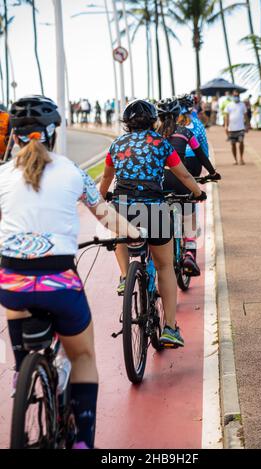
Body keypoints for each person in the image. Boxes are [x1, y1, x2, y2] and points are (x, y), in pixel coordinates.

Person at [0, 95, 139, 449]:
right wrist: (134, 234)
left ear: (14, 136)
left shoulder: (2, 176)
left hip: (12, 283)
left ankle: (22, 371)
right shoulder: (73, 172)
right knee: (83, 357)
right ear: (53, 133)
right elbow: (106, 216)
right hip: (59, 282)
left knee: (15, 297)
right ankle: (83, 443)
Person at [100, 99, 206, 348]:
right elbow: (183, 173)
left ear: (126, 124)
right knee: (165, 267)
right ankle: (170, 328)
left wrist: (105, 194)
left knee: (119, 228)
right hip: (154, 209)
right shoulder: (161, 144)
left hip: (125, 207)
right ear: (153, 121)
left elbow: (106, 177)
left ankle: (126, 275)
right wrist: (198, 193)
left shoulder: (116, 145)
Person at [156, 98, 220, 277]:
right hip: (181, 180)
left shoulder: (152, 135)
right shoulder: (185, 132)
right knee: (189, 214)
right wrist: (213, 173)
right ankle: (190, 252)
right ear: (178, 114)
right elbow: (201, 155)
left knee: (156, 219)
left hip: (159, 182)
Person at [224, 89, 249, 165]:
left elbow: (245, 115)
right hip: (232, 128)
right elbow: (226, 116)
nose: (236, 97)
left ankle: (241, 158)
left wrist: (247, 125)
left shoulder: (242, 105)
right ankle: (235, 160)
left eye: (237, 95)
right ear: (232, 96)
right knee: (233, 144)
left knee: (241, 142)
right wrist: (226, 126)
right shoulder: (229, 105)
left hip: (241, 127)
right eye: (235, 95)